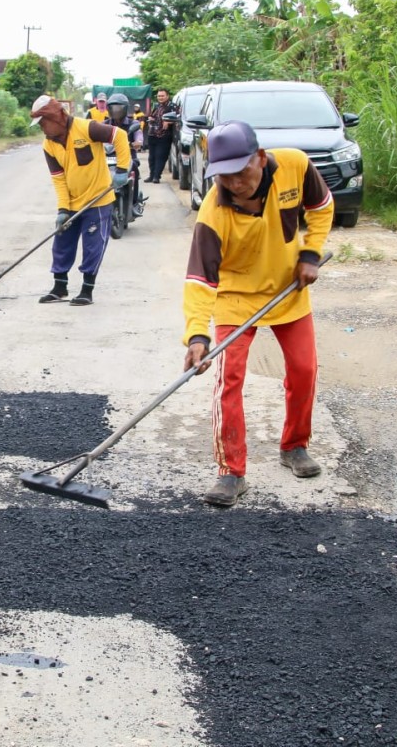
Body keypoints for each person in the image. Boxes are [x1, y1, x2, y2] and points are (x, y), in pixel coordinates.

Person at [181, 120, 333, 507]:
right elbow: (200, 282)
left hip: (287, 290)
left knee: (304, 369)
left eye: (240, 171)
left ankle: (294, 446)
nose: (233, 182)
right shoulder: (213, 214)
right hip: (235, 297)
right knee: (228, 379)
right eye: (223, 176)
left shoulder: (295, 166)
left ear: (260, 158)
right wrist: (197, 336)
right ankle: (231, 471)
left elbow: (322, 206)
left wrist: (310, 254)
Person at [30, 94, 131, 306]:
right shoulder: (49, 145)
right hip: (73, 202)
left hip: (98, 200)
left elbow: (119, 136)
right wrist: (62, 209)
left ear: (56, 118)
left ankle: (87, 290)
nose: (42, 129)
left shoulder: (87, 128)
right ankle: (60, 287)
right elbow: (58, 179)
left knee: (93, 246)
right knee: (61, 243)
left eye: (43, 123)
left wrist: (122, 169)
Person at [104, 92, 146, 218]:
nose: (116, 111)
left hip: (129, 157)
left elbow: (139, 137)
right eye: (113, 108)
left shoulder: (133, 124)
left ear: (125, 108)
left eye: (119, 108)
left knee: (135, 170)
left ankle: (134, 203)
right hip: (108, 157)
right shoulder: (104, 124)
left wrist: (137, 143)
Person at [145, 88, 178, 183]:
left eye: (162, 96)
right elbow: (152, 116)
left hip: (164, 135)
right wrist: (151, 118)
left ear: (167, 96)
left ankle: (156, 176)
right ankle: (151, 175)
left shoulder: (172, 106)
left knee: (160, 156)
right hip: (152, 134)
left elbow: (178, 118)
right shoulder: (156, 106)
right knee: (152, 157)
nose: (160, 98)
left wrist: (169, 121)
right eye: (159, 96)